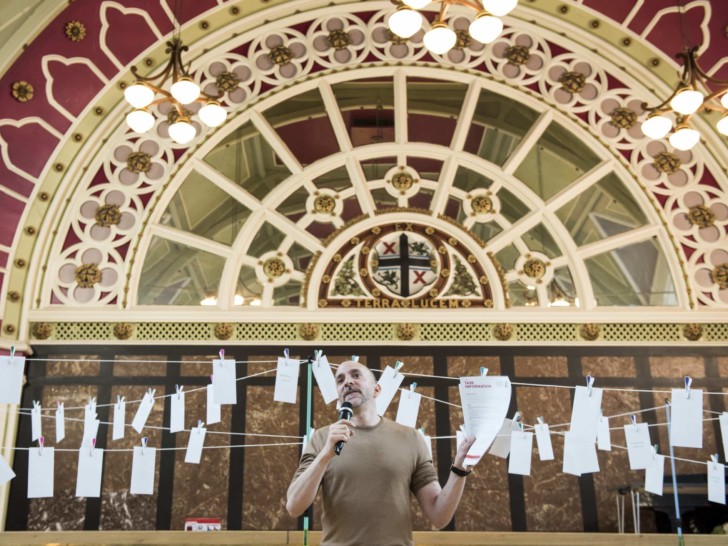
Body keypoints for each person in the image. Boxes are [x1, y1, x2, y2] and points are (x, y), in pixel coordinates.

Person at [286, 360, 477, 546]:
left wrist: (459, 469)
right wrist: (325, 456)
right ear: (339, 398)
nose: (348, 382)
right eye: (340, 380)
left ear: (377, 389)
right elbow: (294, 507)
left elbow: (439, 516)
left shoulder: (410, 438)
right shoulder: (322, 438)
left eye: (356, 375)